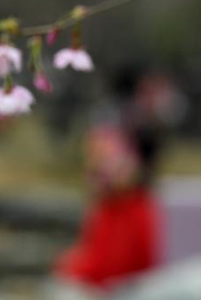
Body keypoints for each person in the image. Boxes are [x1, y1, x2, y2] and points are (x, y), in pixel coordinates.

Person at [54, 125, 162, 293]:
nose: (91, 171)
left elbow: (117, 265)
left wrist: (70, 267)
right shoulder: (106, 207)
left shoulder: (135, 206)